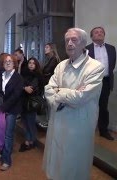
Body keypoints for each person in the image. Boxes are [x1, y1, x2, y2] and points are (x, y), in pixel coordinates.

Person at [43, 28, 104, 180]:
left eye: (74, 40)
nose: (69, 43)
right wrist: (68, 93)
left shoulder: (95, 67)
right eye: (67, 40)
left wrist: (60, 92)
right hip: (58, 122)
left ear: (84, 43)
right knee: (56, 164)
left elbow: (80, 98)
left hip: (78, 126)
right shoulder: (61, 66)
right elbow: (48, 90)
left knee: (74, 165)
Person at [0, 54, 23, 171]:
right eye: (5, 62)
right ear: (3, 64)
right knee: (1, 132)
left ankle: (6, 160)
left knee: (8, 135)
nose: (8, 63)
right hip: (1, 108)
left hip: (12, 109)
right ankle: (2, 152)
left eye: (10, 61)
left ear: (14, 63)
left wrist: (1, 108)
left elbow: (15, 96)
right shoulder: (1, 75)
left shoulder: (18, 77)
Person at [86, 26, 116, 141]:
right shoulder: (86, 49)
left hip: (106, 81)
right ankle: (87, 129)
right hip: (91, 82)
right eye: (96, 32)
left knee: (103, 107)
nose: (99, 33)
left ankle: (103, 130)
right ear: (92, 36)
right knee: (89, 106)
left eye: (101, 32)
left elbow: (112, 65)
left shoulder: (112, 48)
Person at [19, 57, 43, 152]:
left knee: (30, 123)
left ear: (36, 65)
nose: (31, 64)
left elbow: (31, 89)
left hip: (31, 103)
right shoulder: (25, 74)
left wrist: (23, 87)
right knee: (25, 122)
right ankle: (28, 140)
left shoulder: (37, 76)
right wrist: (24, 87)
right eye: (30, 62)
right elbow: (20, 85)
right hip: (23, 102)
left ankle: (31, 141)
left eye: (33, 63)